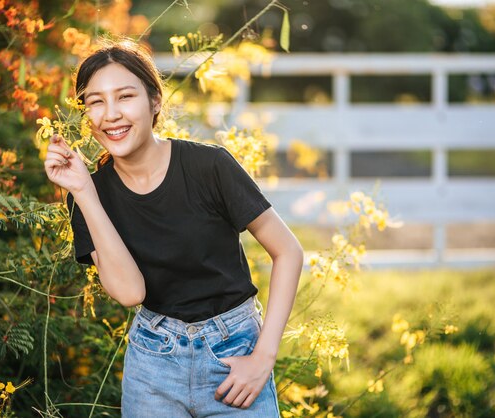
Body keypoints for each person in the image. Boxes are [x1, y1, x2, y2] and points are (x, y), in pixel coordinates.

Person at [43, 37, 303, 417]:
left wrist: (263, 356)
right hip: (153, 360)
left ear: (155, 102)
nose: (110, 114)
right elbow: (131, 292)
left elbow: (288, 251)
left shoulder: (208, 166)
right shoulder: (88, 193)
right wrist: (84, 191)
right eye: (96, 101)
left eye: (125, 96)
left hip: (234, 354)